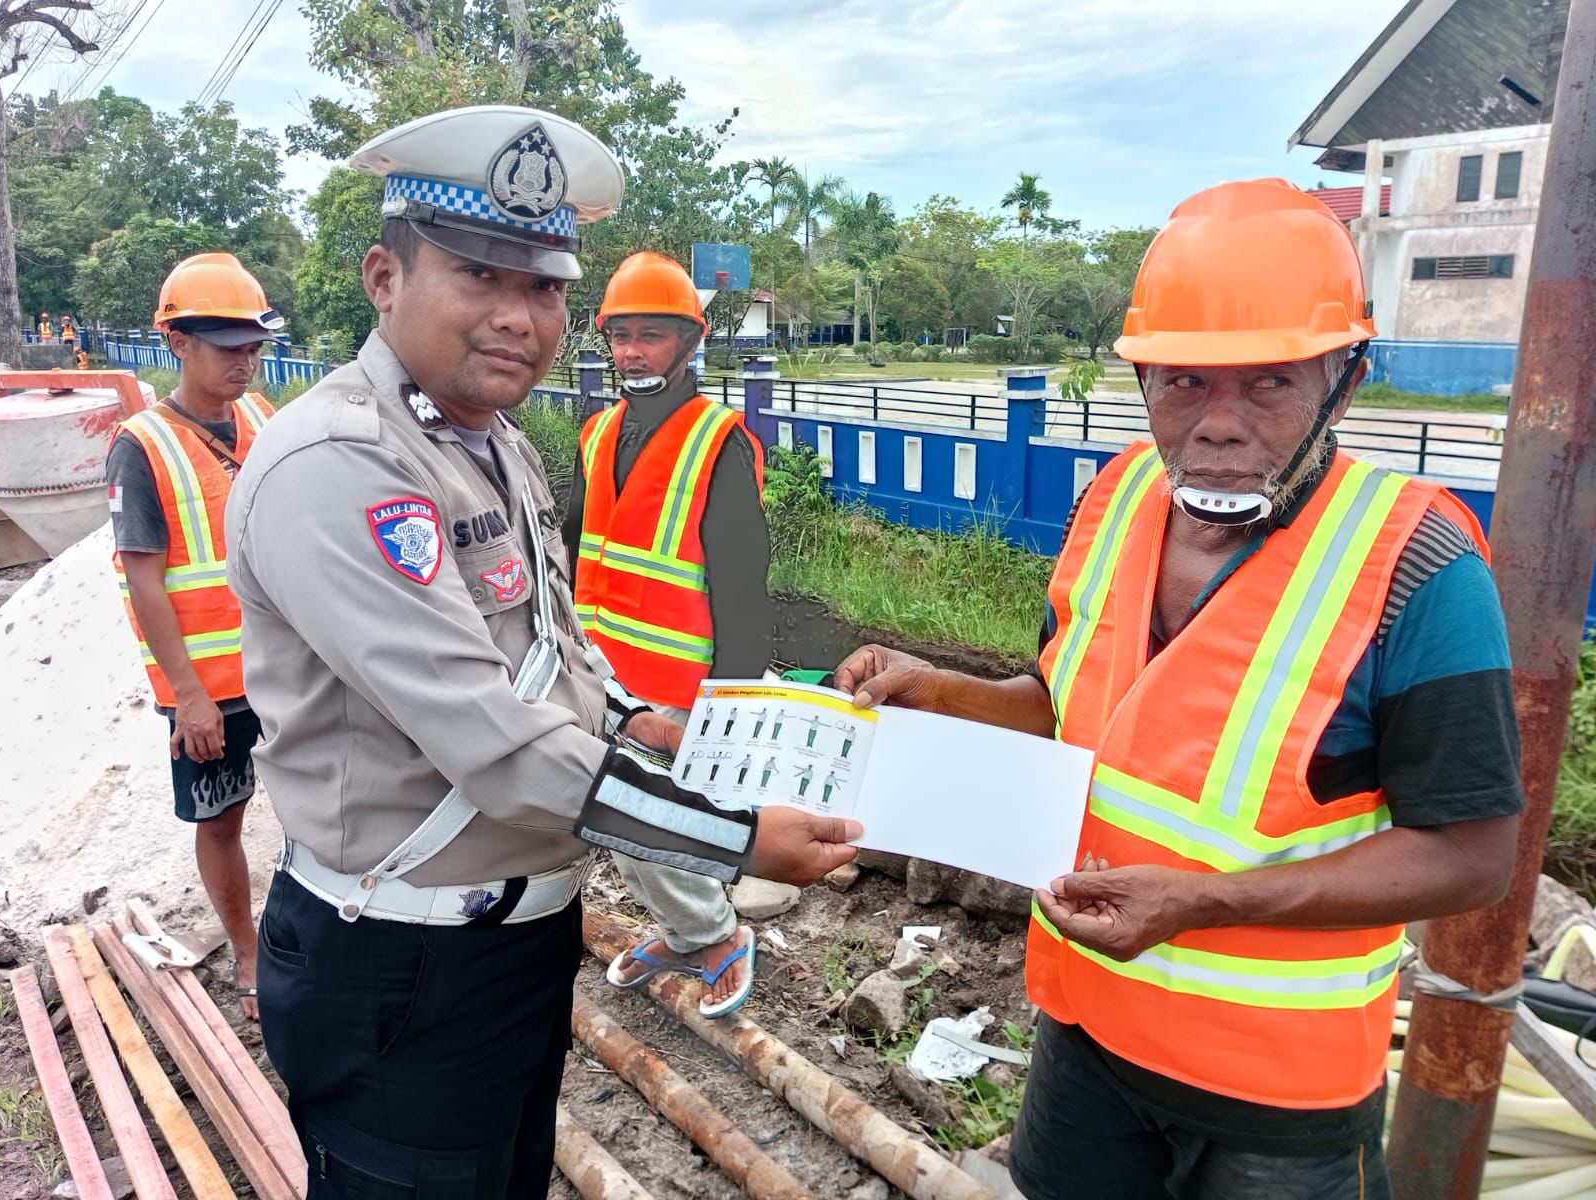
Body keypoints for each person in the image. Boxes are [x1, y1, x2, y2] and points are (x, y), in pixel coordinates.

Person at [835, 179, 1522, 1200]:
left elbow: (1473, 855)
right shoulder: (1114, 500)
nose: (1218, 426)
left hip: (1277, 1093)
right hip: (1086, 1032)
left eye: (1269, 383)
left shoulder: (1417, 564)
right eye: (1184, 383)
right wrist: (940, 690)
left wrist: (1211, 902)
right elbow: (1072, 706)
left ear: (1343, 382)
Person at [225, 105, 859, 1200]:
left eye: (546, 286)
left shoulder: (495, 444)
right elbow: (502, 745)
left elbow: (555, 647)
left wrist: (640, 721)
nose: (520, 316)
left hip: (519, 940)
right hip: (401, 960)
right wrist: (738, 838)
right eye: (479, 274)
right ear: (385, 277)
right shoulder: (339, 463)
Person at [565, 249, 773, 1019]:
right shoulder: (597, 434)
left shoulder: (719, 443)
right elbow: (572, 548)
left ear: (689, 343)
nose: (632, 353)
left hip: (676, 686)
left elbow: (743, 590)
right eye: (621, 336)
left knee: (648, 823)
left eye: (650, 336)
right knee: (622, 825)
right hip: (601, 673)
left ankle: (716, 936)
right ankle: (689, 932)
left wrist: (730, 703)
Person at [107, 252, 284, 1022]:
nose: (245, 362)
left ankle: (307, 940)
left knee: (319, 808)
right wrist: (188, 697)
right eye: (228, 347)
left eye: (254, 346)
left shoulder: (263, 420)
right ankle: (248, 952)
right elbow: (144, 580)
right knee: (223, 819)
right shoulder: (141, 446)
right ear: (177, 342)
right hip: (210, 689)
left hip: (287, 671)